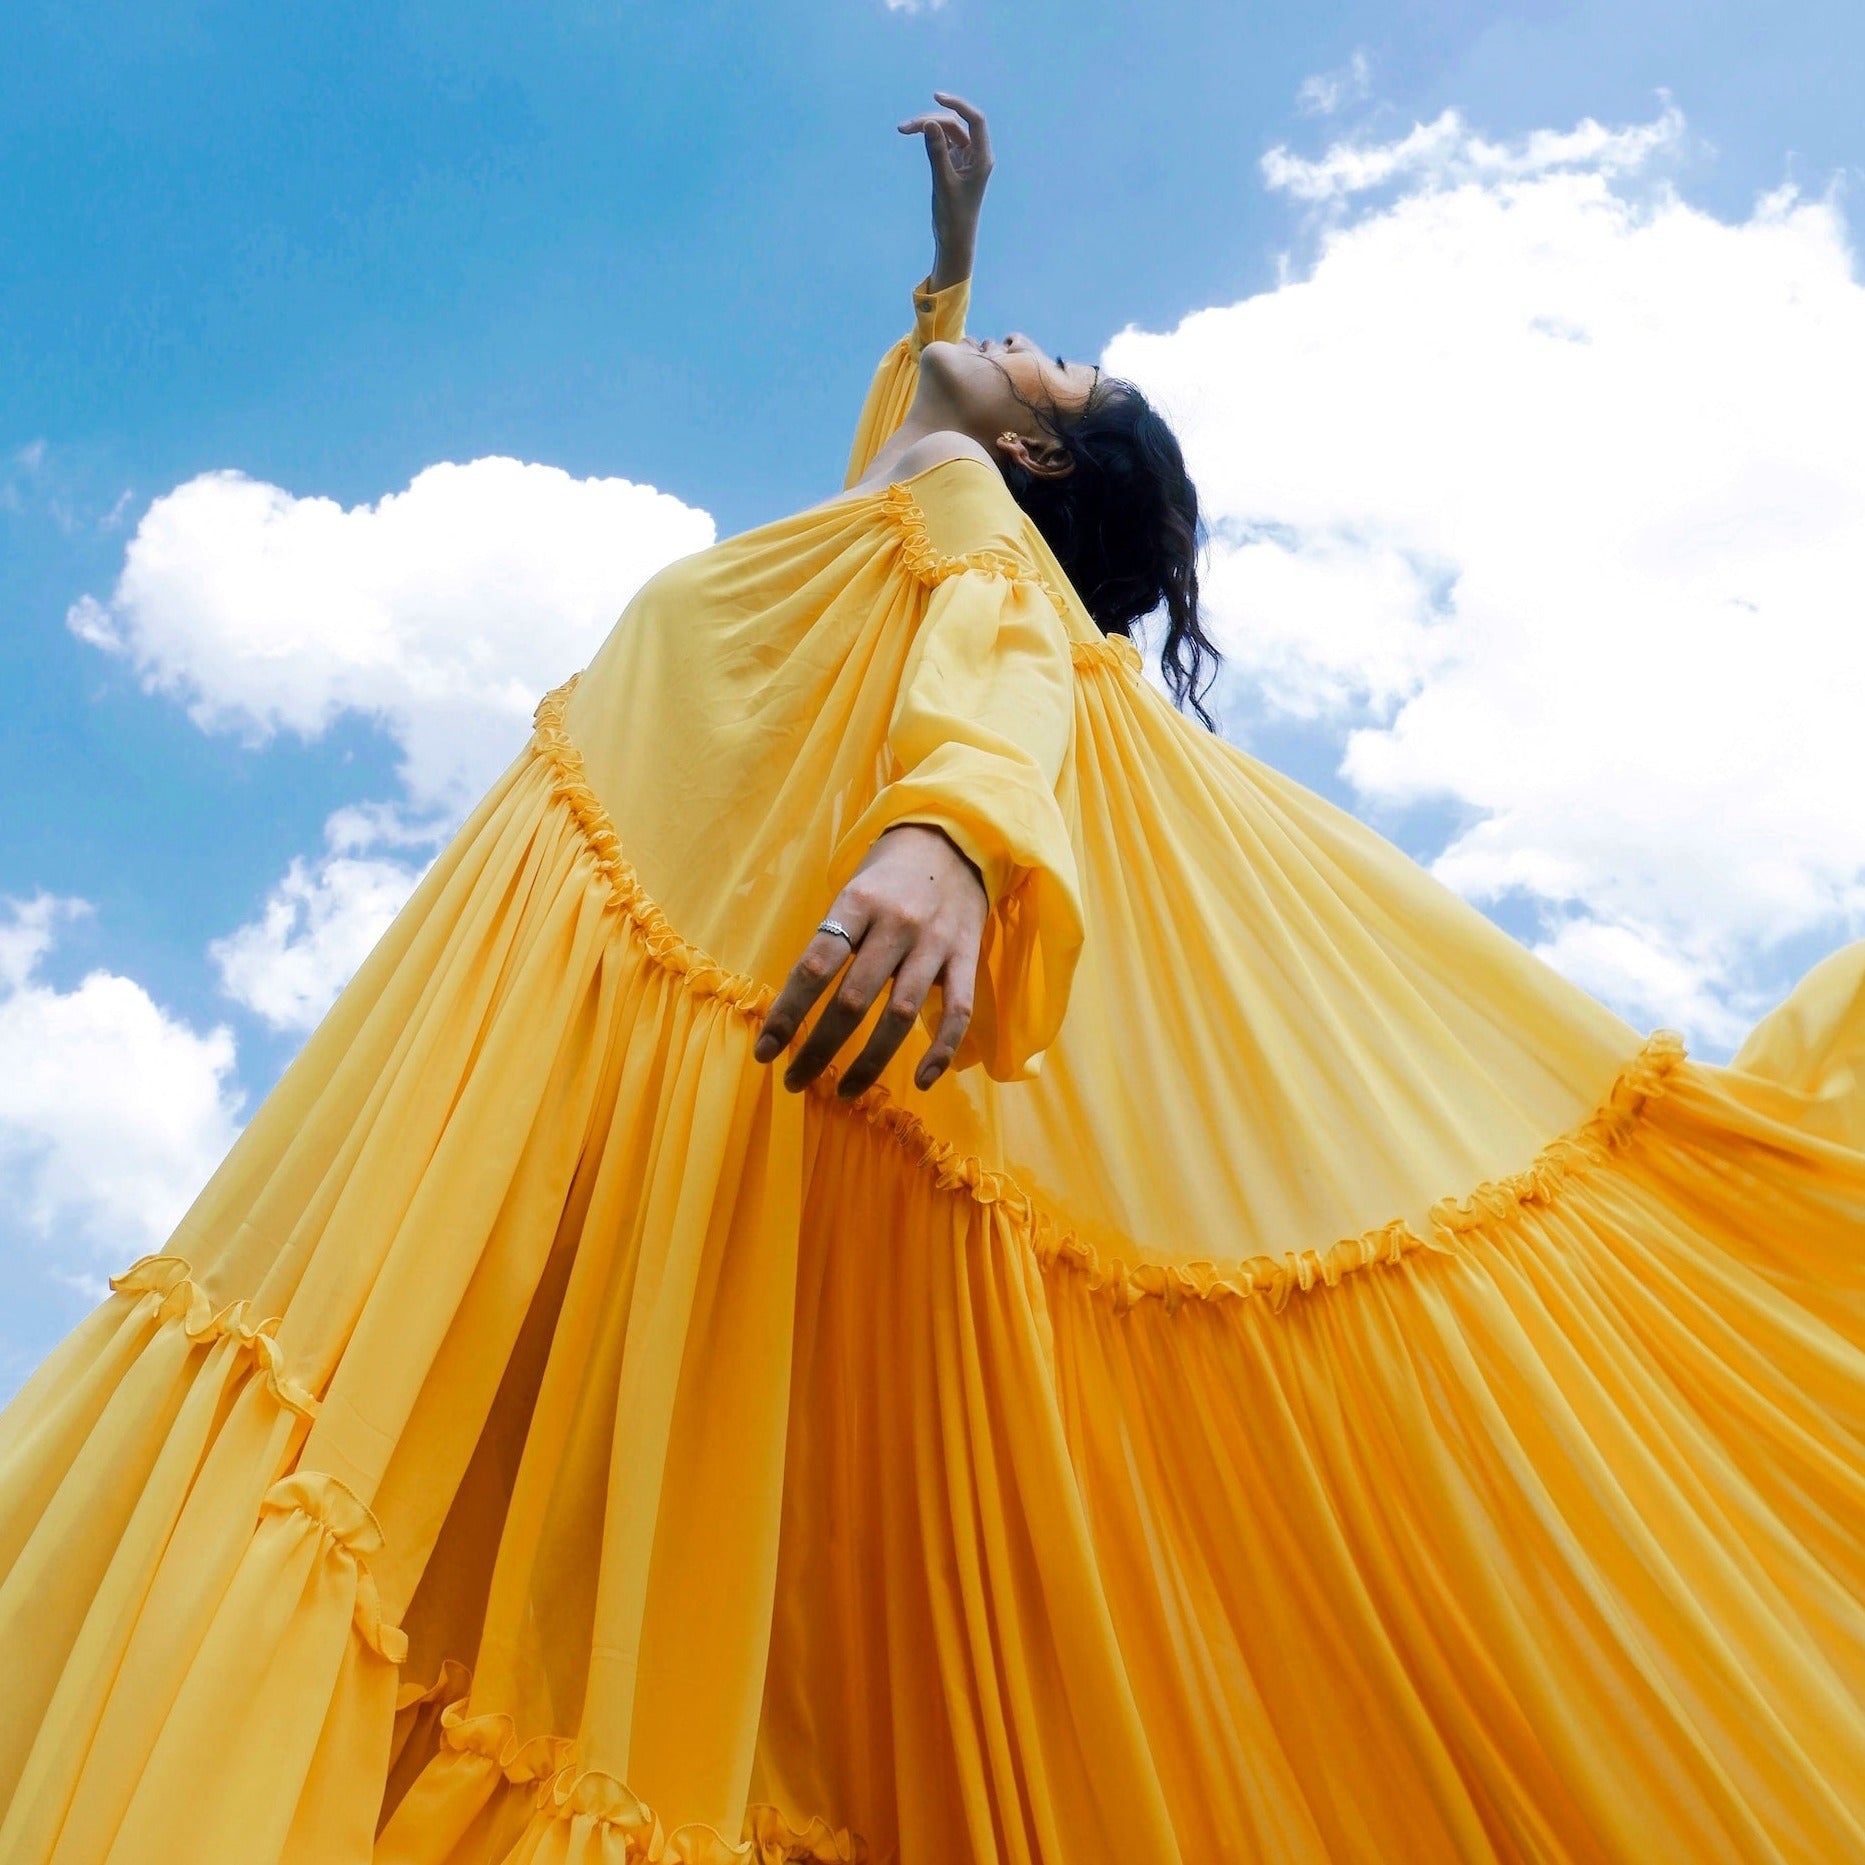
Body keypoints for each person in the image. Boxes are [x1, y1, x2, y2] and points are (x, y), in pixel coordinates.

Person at [2, 91, 1863, 1865]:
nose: (1022, 358)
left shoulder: (963, 533)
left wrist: (949, 837)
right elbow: (903, 454)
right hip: (583, 1034)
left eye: (1052, 374)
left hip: (638, 1032)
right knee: (467, 1520)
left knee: (459, 1524)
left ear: (1034, 455)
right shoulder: (893, 515)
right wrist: (952, 275)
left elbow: (1011, 642)